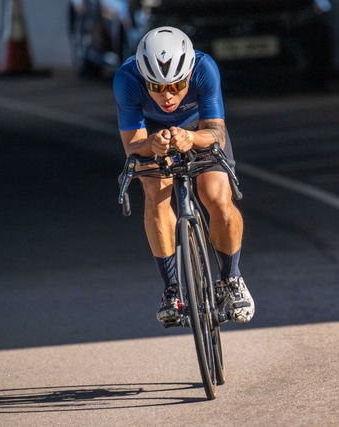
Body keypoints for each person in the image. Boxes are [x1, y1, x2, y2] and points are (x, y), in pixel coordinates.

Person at [113, 26, 254, 325]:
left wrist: (192, 138)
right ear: (144, 78)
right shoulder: (127, 79)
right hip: (152, 133)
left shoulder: (204, 68)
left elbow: (216, 133)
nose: (167, 96)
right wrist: (153, 144)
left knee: (217, 197)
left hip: (199, 128)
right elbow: (133, 148)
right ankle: (172, 289)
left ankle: (231, 279)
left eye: (177, 86)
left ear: (189, 74)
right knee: (156, 193)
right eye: (156, 86)